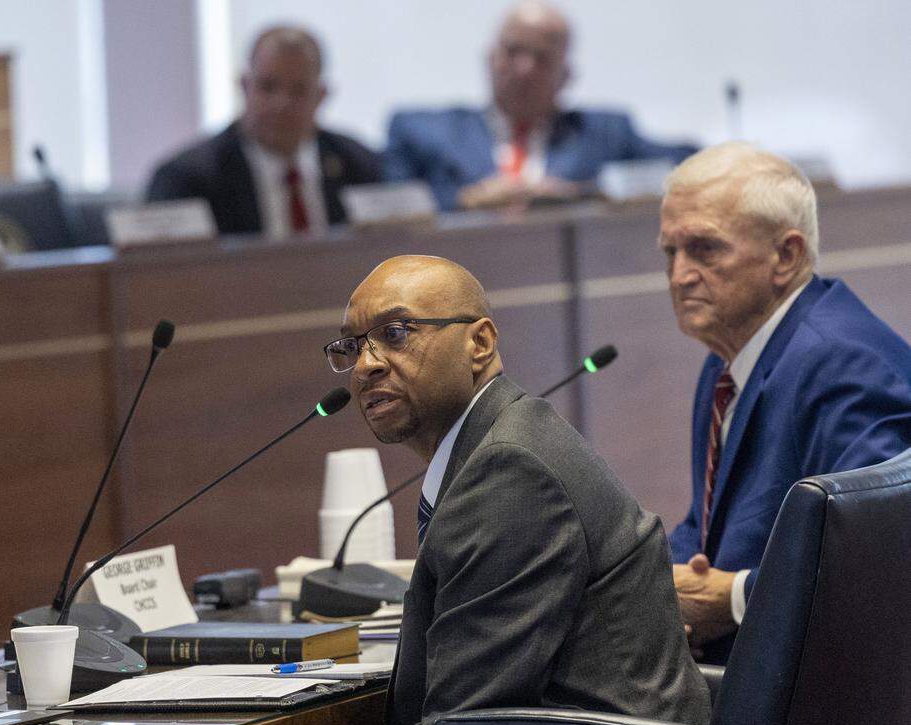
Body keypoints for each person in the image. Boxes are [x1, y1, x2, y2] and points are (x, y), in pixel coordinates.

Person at [328, 255, 710, 725]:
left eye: (396, 333)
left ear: (480, 343)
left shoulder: (510, 470)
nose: (366, 365)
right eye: (352, 348)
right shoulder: (500, 444)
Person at [662, 142, 911, 663]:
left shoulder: (845, 366)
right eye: (671, 251)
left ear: (787, 255)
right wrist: (654, 589)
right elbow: (707, 526)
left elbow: (880, 564)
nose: (680, 275)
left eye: (705, 249)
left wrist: (733, 600)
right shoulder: (729, 356)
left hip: (816, 698)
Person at [383, 1, 696, 212]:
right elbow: (385, 208)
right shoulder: (423, 131)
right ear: (490, 58)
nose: (524, 69)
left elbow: (686, 165)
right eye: (513, 51)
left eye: (542, 58)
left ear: (567, 75)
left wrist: (582, 193)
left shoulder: (606, 132)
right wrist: (466, 200)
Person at [145, 26, 380, 238]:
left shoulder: (359, 166)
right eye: (268, 87)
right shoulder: (188, 179)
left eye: (298, 90)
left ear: (321, 96)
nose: (281, 104)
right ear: (245, 87)